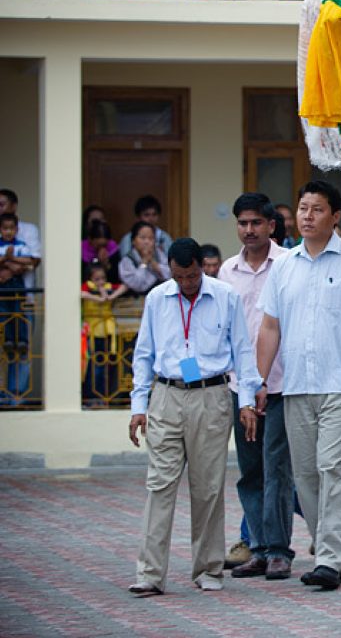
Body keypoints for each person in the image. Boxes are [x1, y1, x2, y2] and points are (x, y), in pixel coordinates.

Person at [257, 180, 341, 591]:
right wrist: (258, 381)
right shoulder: (284, 266)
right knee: (306, 475)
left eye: (316, 209)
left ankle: (329, 559)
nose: (307, 216)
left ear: (335, 216)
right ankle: (330, 550)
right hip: (296, 385)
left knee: (334, 470)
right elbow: (270, 327)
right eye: (302, 208)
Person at [126, 238, 261, 597]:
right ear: (170, 271)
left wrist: (246, 401)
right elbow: (143, 354)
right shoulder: (157, 298)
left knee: (208, 488)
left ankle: (208, 568)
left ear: (203, 266)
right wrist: (139, 406)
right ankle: (150, 573)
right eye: (179, 277)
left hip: (212, 396)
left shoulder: (225, 296)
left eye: (192, 275)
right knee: (159, 485)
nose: (186, 283)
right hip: (166, 397)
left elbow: (243, 351)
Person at [218, 193, 295, 582]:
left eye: (255, 223)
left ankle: (280, 551)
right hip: (240, 387)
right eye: (242, 223)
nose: (248, 230)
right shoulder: (227, 271)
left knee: (277, 468)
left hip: (282, 383)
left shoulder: (289, 264)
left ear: (271, 225)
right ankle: (260, 549)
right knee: (250, 471)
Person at [81, 262, 127, 407]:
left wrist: (111, 296)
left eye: (103, 278)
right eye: (97, 279)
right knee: (93, 366)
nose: (101, 282)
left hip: (107, 332)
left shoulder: (107, 288)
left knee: (106, 366)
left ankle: (103, 396)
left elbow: (124, 286)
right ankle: (90, 396)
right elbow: (79, 292)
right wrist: (98, 297)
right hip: (92, 333)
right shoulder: (88, 287)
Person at [0, 211, 35, 405]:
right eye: (4, 229)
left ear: (16, 229)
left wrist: (10, 261)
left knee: (18, 314)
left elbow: (28, 262)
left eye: (11, 228)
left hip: (16, 286)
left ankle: (19, 339)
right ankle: (7, 339)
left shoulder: (20, 246)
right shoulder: (4, 246)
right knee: (5, 314)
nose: (7, 232)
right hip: (2, 288)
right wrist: (7, 260)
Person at [119, 222, 171, 296]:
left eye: (151, 238)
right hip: (135, 299)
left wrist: (154, 264)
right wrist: (144, 262)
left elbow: (170, 274)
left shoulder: (158, 253)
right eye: (142, 238)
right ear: (133, 241)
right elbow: (136, 285)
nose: (147, 242)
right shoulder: (127, 260)